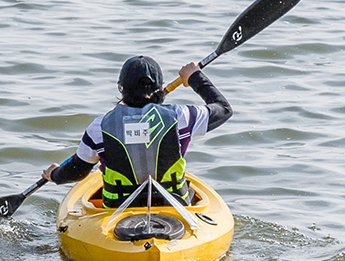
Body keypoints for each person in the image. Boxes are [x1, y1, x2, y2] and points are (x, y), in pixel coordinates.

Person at [42, 55, 232, 208]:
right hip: (173, 205)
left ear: (121, 88)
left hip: (118, 209)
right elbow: (223, 109)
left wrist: (56, 175)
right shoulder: (181, 116)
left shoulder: (99, 127)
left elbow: (77, 171)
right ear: (159, 88)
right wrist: (194, 77)